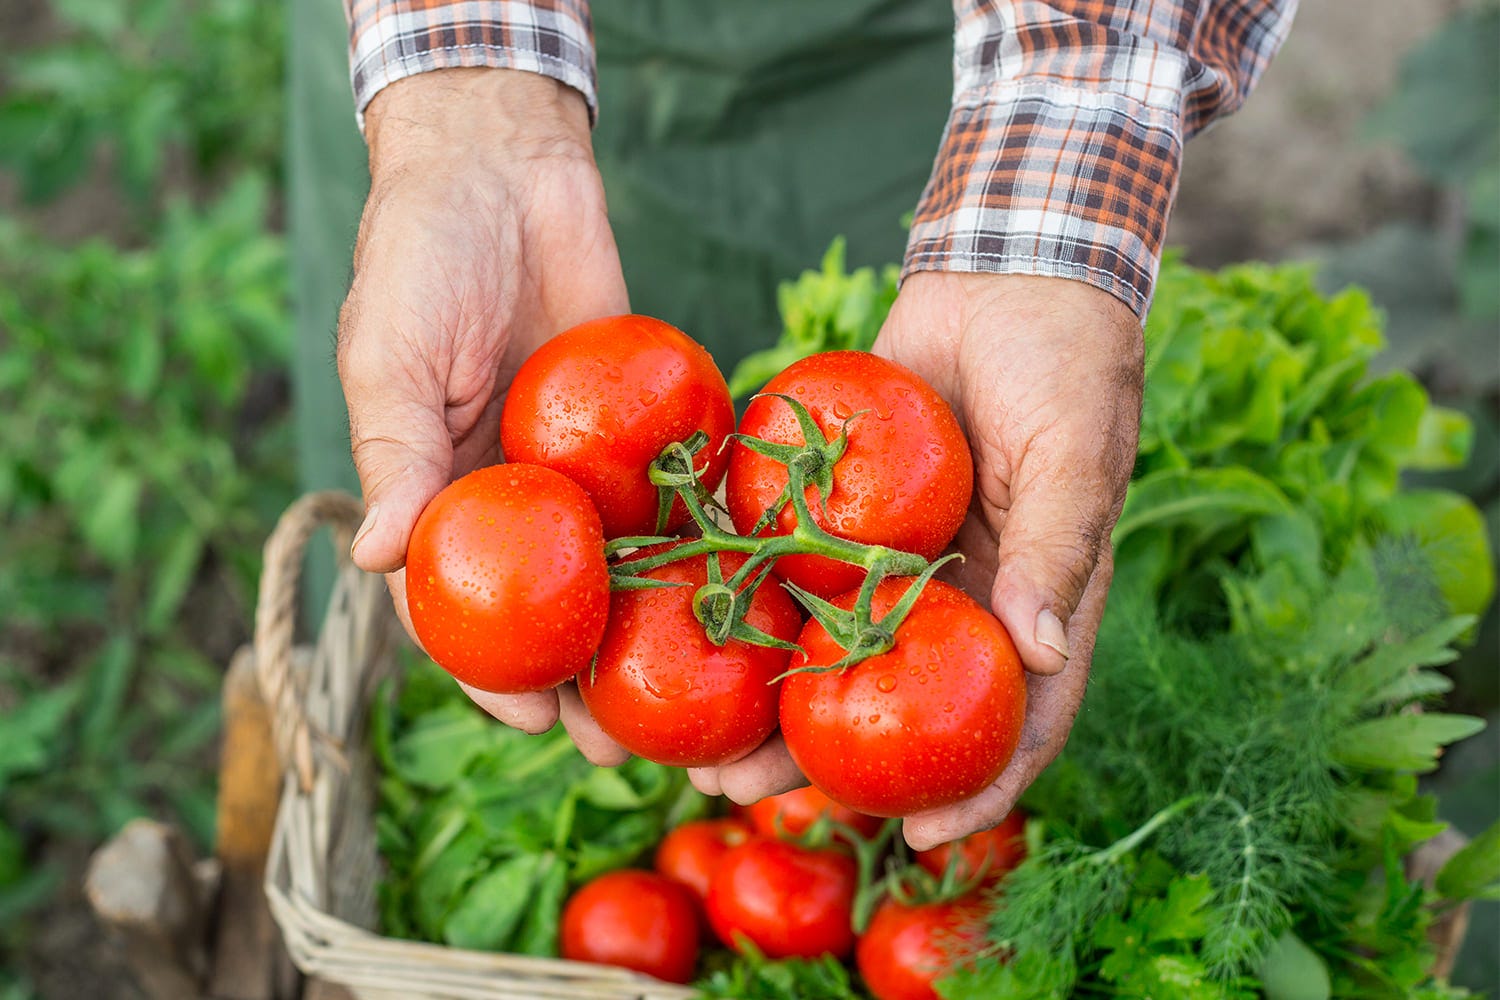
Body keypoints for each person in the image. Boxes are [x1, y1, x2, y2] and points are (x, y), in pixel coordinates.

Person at [334, 0, 1297, 849]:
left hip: (894, 64)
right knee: (435, 406)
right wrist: (464, 115)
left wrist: (1043, 233)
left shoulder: (711, 535)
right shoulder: (692, 525)